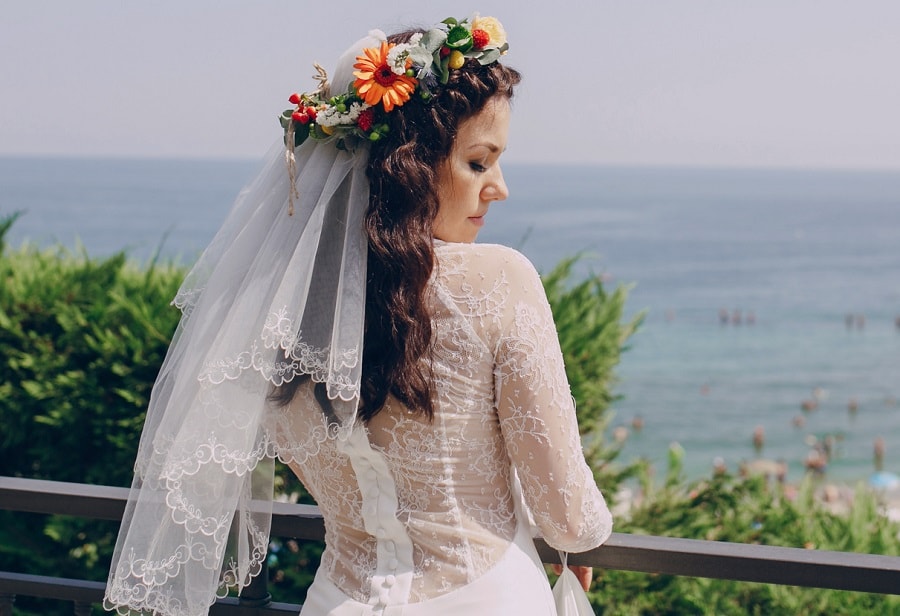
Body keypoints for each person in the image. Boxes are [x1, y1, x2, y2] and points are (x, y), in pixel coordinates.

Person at [104, 14, 612, 616]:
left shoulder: (279, 307)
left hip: (339, 601)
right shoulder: (501, 281)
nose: (498, 187)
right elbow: (567, 511)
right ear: (412, 167)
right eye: (478, 162)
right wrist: (585, 539)